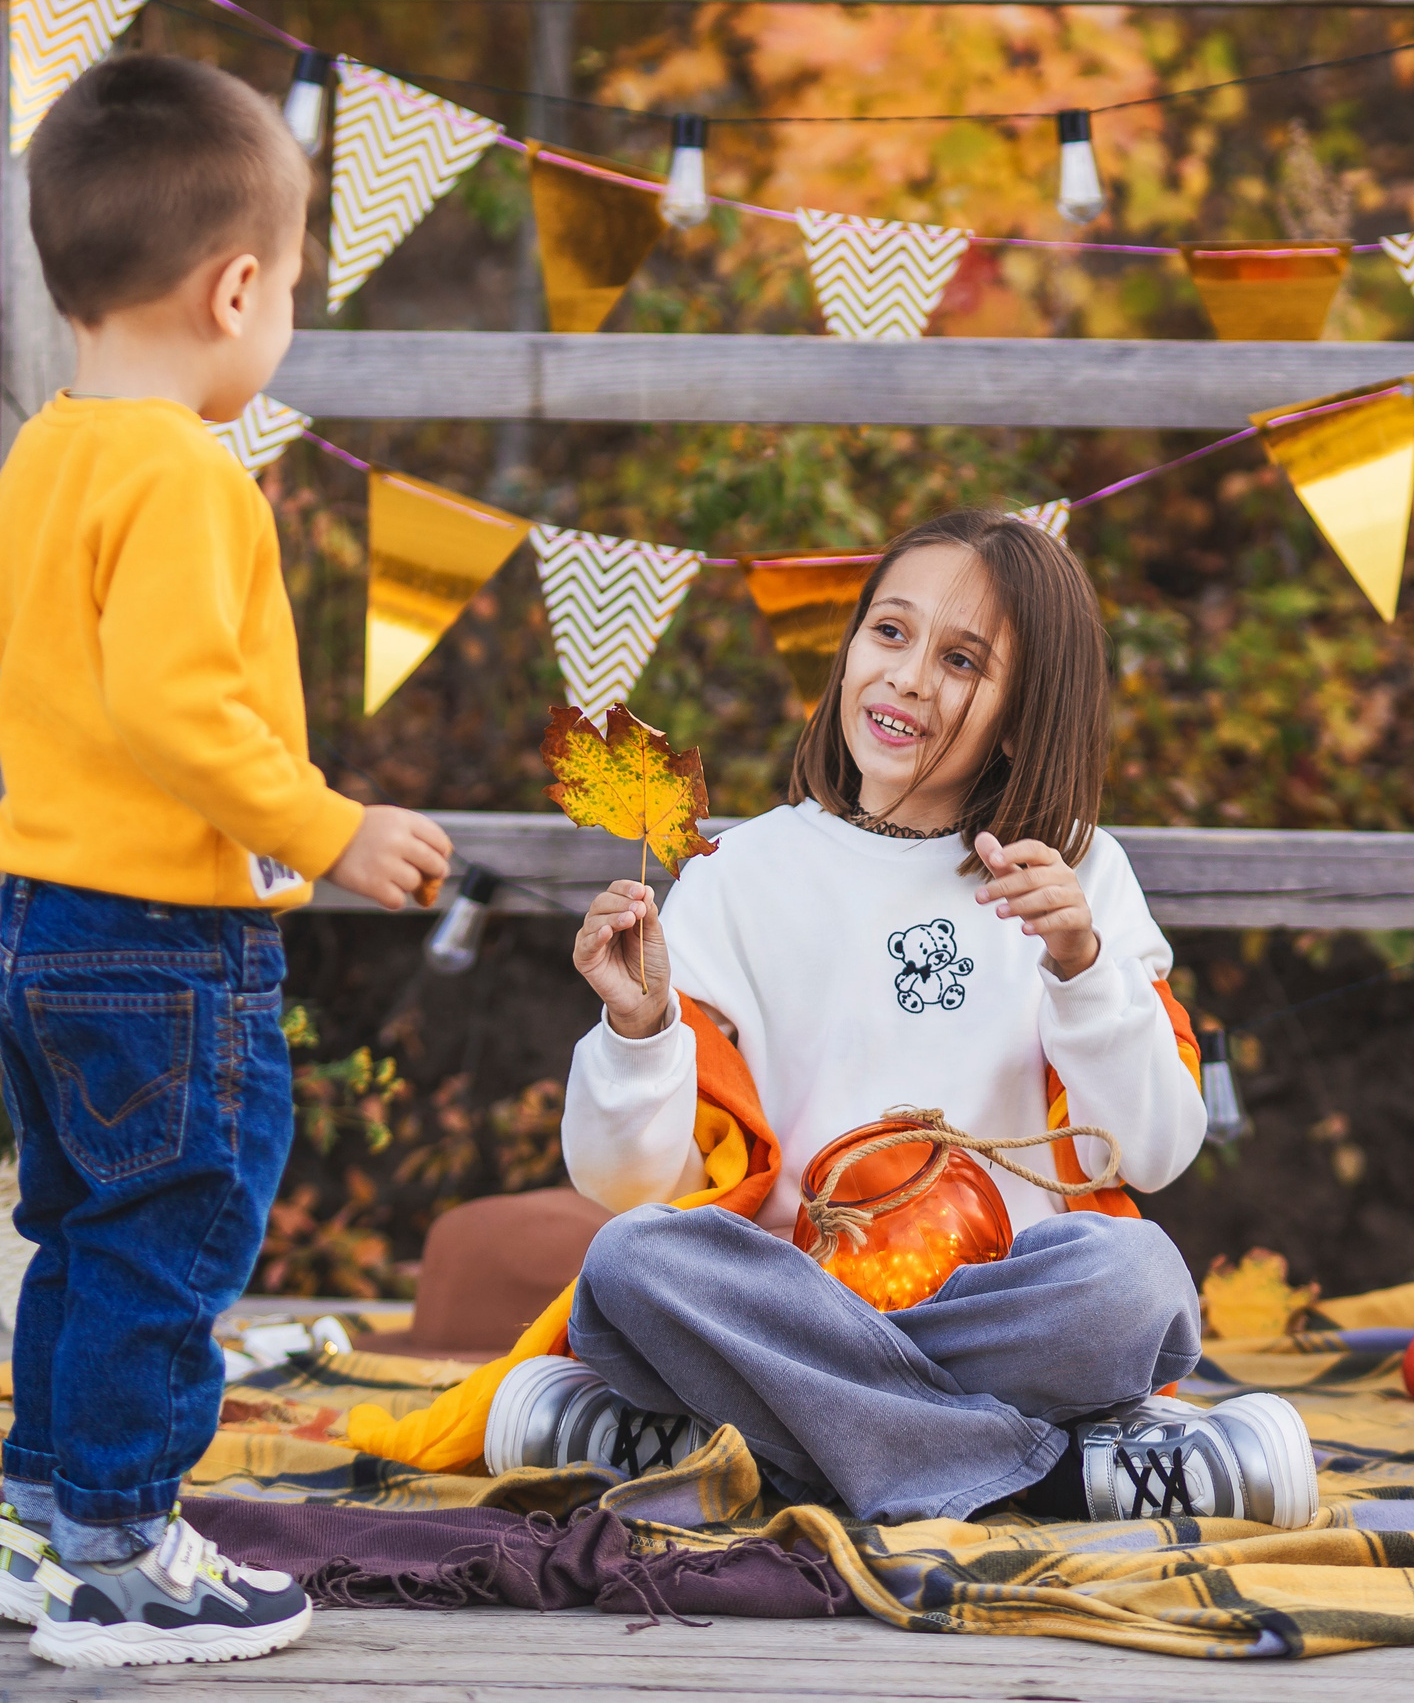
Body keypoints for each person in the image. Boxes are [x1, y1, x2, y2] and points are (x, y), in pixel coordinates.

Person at [486, 511, 1316, 1529]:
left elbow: (1153, 1154)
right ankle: (1060, 1477)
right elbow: (622, 1183)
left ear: (1021, 714)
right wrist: (639, 1030)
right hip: (792, 1298)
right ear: (846, 651)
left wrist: (1082, 964)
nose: (910, 676)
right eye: (890, 632)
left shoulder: (1078, 874)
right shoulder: (742, 874)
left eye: (961, 659)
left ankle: (714, 1444)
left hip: (994, 1309)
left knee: (1135, 1282)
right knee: (630, 1266)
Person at [0, 55, 453, 1669]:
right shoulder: (185, 471)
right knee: (172, 1242)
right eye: (295, 292)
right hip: (160, 940)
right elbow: (177, 710)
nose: (286, 323)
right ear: (236, 283)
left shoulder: (52, 449)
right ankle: (116, 1555)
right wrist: (330, 824)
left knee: (84, 1239)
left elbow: (43, 672)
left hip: (42, 920)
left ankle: (44, 1519)